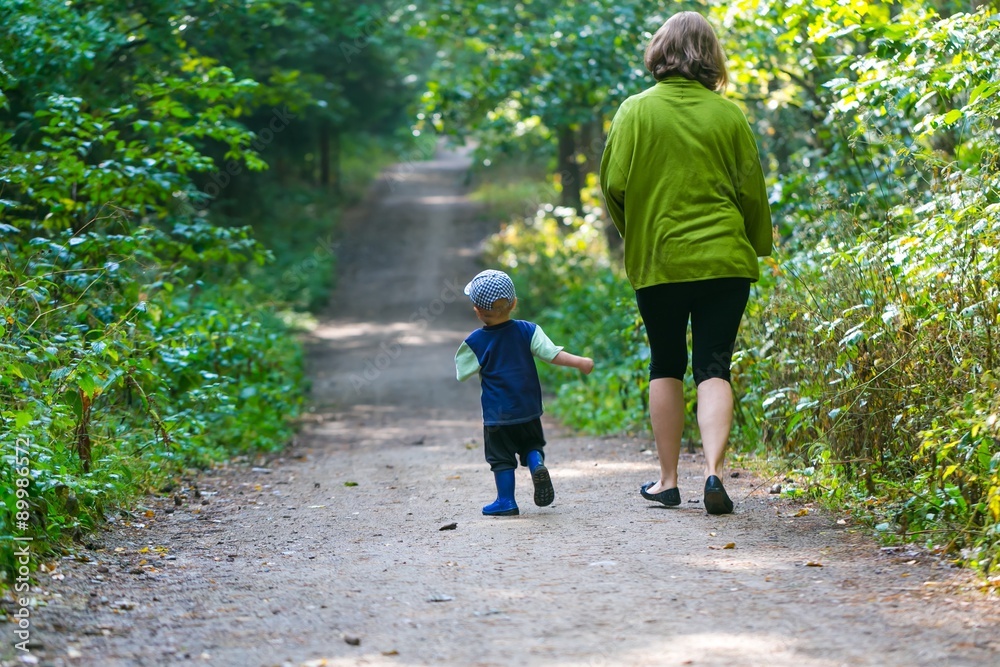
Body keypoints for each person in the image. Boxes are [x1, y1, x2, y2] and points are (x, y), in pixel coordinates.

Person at [599, 11, 773, 515]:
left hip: (661, 259)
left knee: (666, 364)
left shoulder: (634, 111)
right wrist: (756, 243)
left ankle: (668, 480)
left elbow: (613, 186)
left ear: (659, 51)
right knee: (715, 365)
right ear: (711, 56)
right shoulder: (728, 115)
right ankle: (715, 474)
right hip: (725, 261)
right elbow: (751, 191)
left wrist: (638, 232)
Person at [455, 269, 595, 516]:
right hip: (528, 408)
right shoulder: (528, 331)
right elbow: (552, 354)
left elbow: (462, 372)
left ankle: (506, 501)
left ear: (476, 309)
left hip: (497, 415)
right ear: (514, 303)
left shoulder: (475, 342)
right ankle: (536, 464)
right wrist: (581, 362)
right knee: (531, 443)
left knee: (501, 458)